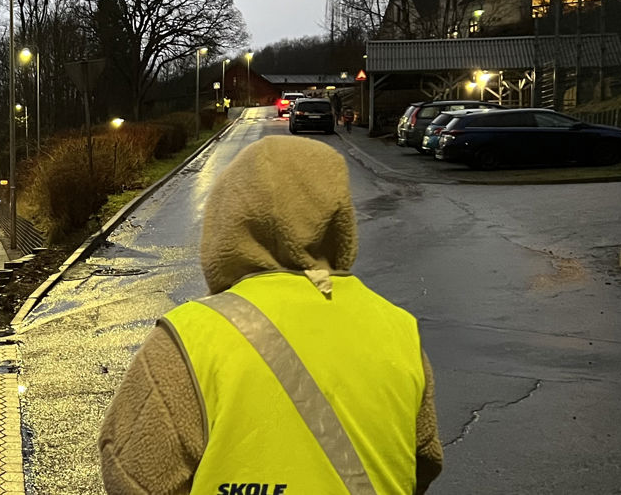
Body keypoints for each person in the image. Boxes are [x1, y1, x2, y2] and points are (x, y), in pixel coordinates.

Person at [99, 136, 442, 495]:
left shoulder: (189, 339)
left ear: (225, 222)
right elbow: (424, 459)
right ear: (338, 219)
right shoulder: (397, 329)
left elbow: (131, 472)